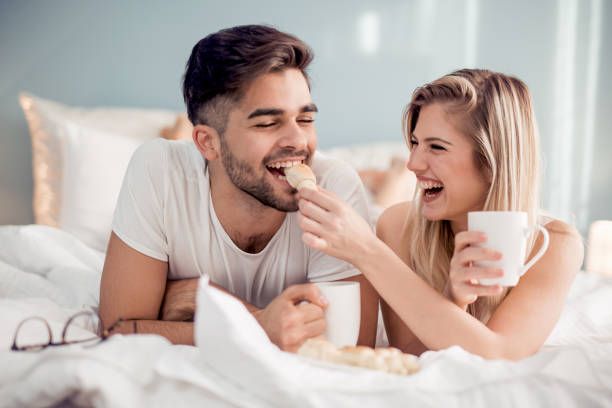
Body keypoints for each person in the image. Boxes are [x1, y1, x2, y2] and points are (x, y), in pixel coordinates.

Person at [98, 25, 378, 351]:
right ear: (208, 143)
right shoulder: (159, 171)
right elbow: (120, 330)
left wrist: (205, 300)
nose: (298, 141)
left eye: (305, 119)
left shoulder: (335, 186)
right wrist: (259, 325)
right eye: (268, 123)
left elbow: (348, 349)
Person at [295, 69, 583, 360]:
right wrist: (452, 301)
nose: (414, 163)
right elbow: (409, 355)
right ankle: (391, 179)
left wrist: (368, 252)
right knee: (383, 208)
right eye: (415, 143)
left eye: (436, 147)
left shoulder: (555, 245)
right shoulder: (396, 225)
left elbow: (500, 354)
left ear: (492, 160)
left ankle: (390, 179)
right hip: (395, 214)